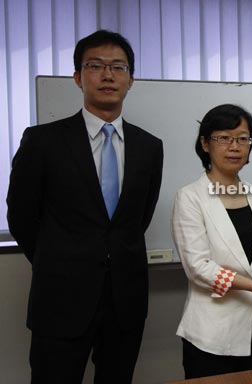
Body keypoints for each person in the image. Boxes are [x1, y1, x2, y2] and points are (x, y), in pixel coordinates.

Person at [6, 30, 163, 383]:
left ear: (131, 79)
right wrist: (57, 259)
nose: (108, 75)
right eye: (96, 65)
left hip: (125, 299)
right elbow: (21, 216)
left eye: (118, 67)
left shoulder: (149, 147)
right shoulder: (43, 141)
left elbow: (138, 218)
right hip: (60, 298)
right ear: (78, 77)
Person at [171, 104, 252, 379]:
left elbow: (243, 256)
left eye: (243, 138)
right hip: (212, 336)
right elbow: (198, 267)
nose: (235, 146)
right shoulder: (189, 197)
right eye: (224, 138)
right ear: (205, 144)